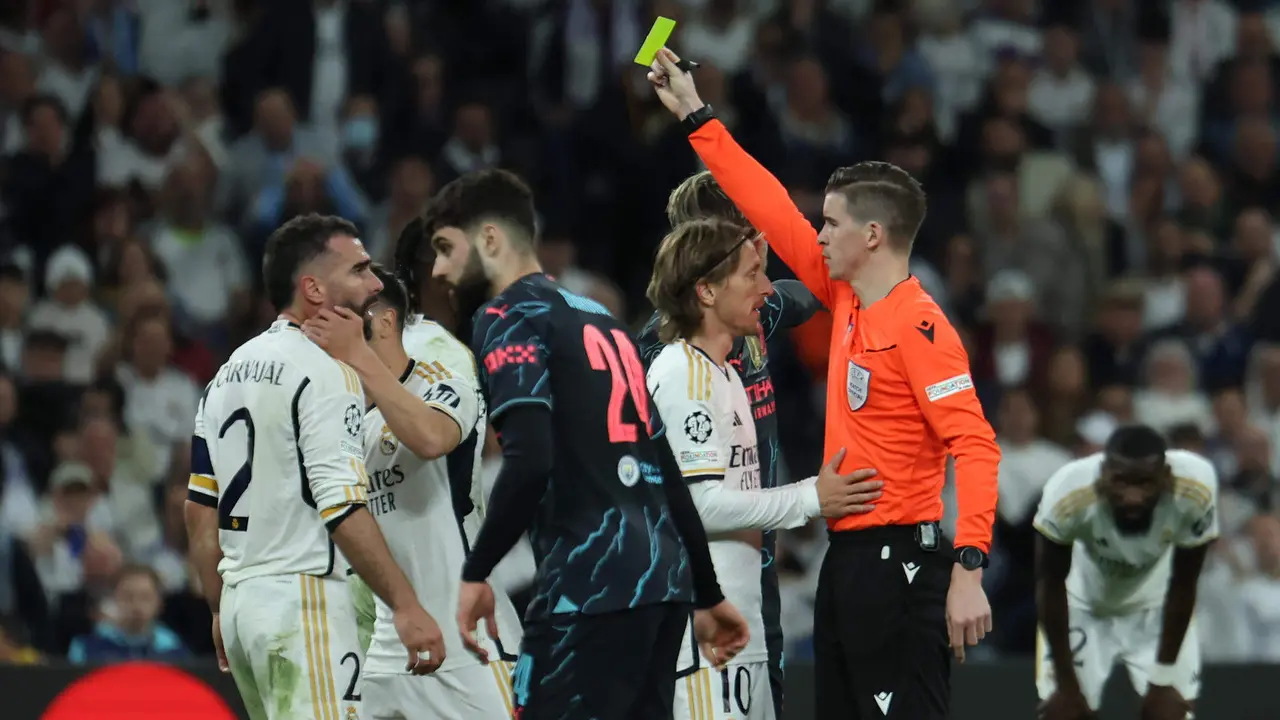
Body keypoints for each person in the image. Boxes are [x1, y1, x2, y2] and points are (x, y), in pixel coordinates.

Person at [647, 48, 1000, 719]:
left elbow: (977, 447)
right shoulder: (847, 299)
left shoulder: (921, 327)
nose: (816, 233)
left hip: (904, 560)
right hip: (849, 558)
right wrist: (697, 114)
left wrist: (970, 566)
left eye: (831, 223)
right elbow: (771, 207)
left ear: (871, 234)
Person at [427, 169, 750, 719]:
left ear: (488, 240)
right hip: (661, 585)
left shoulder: (508, 316)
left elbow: (529, 460)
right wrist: (706, 590)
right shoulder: (603, 318)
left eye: (444, 248)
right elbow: (665, 470)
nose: (438, 269)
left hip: (589, 584)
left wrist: (476, 571)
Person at [184, 214, 444, 720]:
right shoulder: (326, 370)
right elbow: (342, 505)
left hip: (242, 605)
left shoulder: (226, 373)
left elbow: (199, 509)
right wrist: (405, 605)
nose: (375, 283)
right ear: (314, 289)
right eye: (361, 270)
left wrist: (219, 606)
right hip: (304, 601)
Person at [645, 218, 884, 720]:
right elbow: (700, 504)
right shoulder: (683, 374)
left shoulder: (724, 371)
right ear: (706, 291)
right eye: (751, 275)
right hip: (701, 630)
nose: (766, 289)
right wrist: (811, 499)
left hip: (739, 621)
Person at [303, 265, 523, 718]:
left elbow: (428, 440)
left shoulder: (447, 386)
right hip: (392, 647)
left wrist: (358, 356)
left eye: (348, 317)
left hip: (473, 642)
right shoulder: (347, 417)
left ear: (384, 321)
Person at [1034, 425, 1217, 720]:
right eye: (1120, 483)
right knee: (1062, 713)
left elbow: (1185, 583)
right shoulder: (1067, 492)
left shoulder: (1195, 489)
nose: (1132, 497)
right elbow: (1049, 583)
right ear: (1103, 475)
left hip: (1157, 609)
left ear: (1166, 479)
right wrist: (1067, 685)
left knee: (1171, 713)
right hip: (1083, 606)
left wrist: (1162, 679)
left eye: (1145, 484)